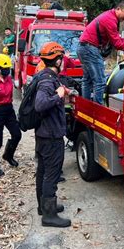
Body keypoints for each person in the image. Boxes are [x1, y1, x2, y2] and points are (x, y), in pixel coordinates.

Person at [34, 41, 76, 228]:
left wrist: (62, 91)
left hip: (43, 133)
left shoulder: (43, 75)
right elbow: (41, 104)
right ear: (58, 60)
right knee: (51, 174)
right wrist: (58, 95)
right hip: (50, 136)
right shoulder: (47, 80)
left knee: (42, 171)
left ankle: (43, 207)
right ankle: (49, 216)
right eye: (62, 58)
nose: (63, 61)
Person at [77, 0, 124, 104]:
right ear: (118, 9)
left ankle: (85, 105)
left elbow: (117, 39)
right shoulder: (110, 20)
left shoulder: (109, 16)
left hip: (83, 47)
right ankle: (98, 108)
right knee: (100, 81)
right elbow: (117, 43)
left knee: (87, 80)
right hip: (89, 48)